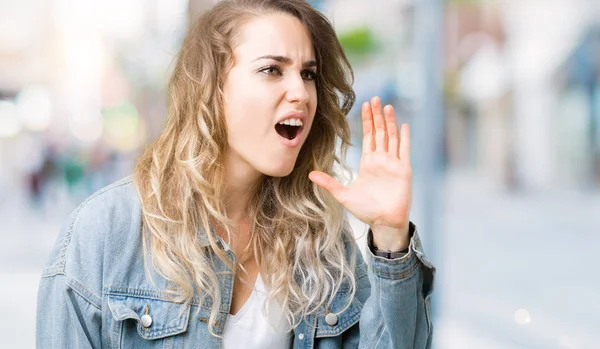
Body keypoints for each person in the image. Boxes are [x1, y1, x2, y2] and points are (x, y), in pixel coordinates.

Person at [36, 0, 435, 348]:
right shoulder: (103, 234)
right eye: (272, 70)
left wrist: (389, 237)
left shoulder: (322, 240)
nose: (300, 91)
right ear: (213, 89)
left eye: (308, 74)